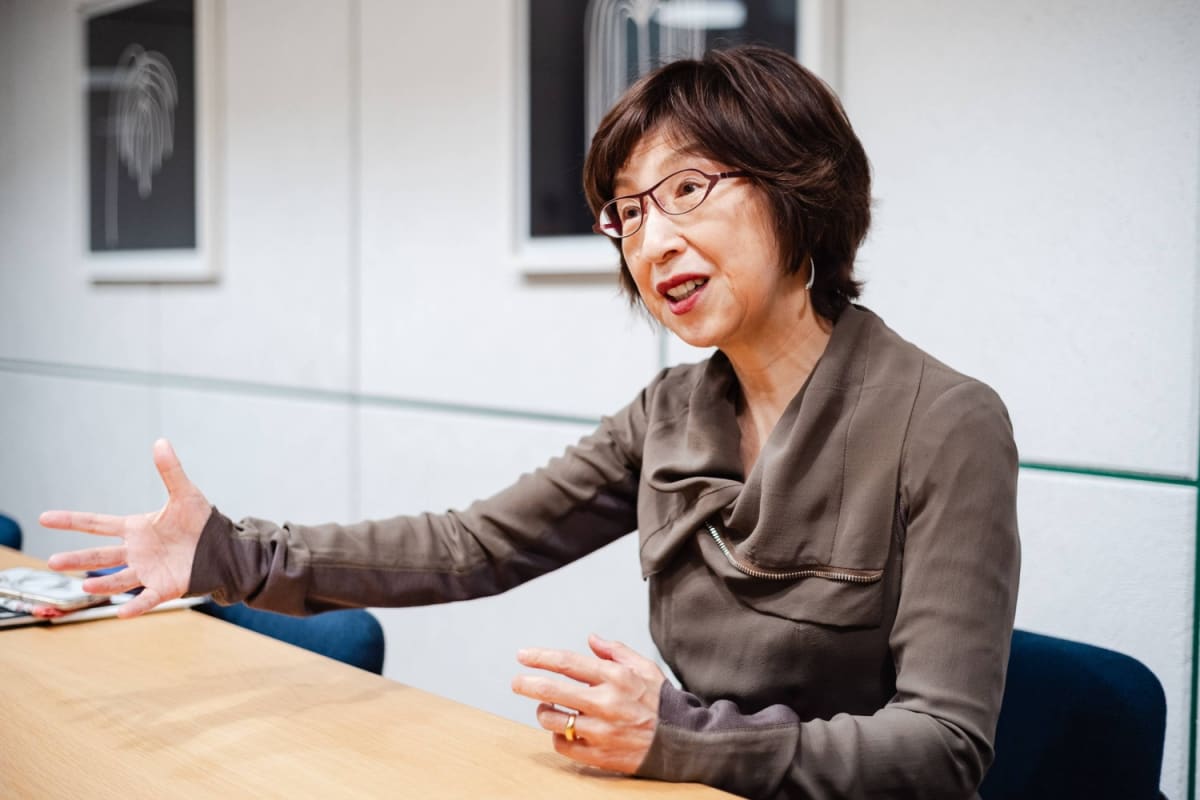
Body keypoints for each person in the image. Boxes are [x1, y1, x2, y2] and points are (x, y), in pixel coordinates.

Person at [42, 46, 1019, 799]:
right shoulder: (671, 414)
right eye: (628, 212)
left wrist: (680, 734)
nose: (653, 239)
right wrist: (232, 552)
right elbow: (471, 545)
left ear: (800, 188)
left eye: (687, 190)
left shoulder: (945, 421)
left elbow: (943, 747)